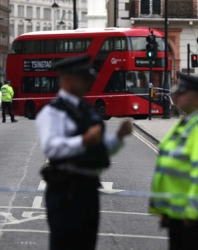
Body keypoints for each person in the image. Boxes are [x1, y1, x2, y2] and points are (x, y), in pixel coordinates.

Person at [35, 54, 132, 250]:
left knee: (87, 244)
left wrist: (119, 138)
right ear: (68, 79)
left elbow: (100, 148)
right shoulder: (53, 111)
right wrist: (83, 140)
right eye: (84, 78)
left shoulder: (87, 110)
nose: (89, 82)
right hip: (66, 191)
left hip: (88, 190)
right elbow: (51, 147)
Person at [149, 72, 198, 250]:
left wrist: (192, 212)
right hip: (177, 212)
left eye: (182, 92)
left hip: (192, 215)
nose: (176, 96)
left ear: (197, 97)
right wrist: (166, 211)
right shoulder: (186, 122)